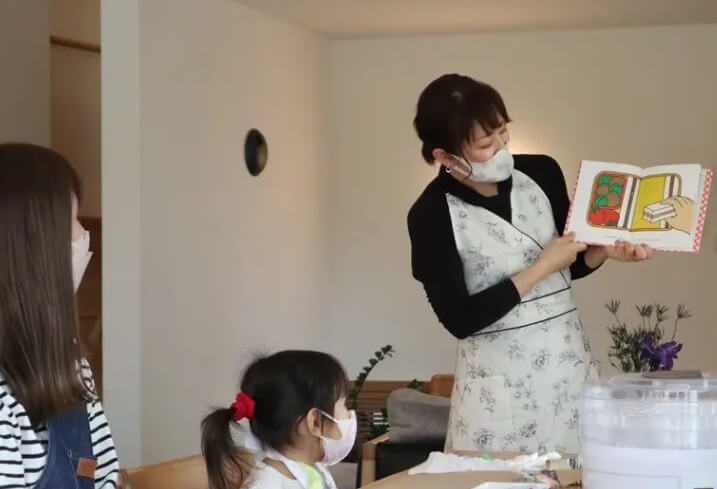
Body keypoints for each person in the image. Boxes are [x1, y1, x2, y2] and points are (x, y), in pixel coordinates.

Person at [407, 74, 654, 454]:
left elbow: (570, 265)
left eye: (502, 132)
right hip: (497, 390)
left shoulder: (541, 172)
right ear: (445, 157)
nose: (501, 147)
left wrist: (602, 252)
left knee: (579, 471)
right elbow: (460, 318)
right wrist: (541, 267)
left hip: (568, 368)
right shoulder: (431, 215)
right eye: (485, 144)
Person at [0, 143, 118, 488]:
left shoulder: (72, 367)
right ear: (32, 249)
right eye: (73, 220)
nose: (83, 235)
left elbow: (103, 477)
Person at [201, 350, 356, 489]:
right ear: (315, 422)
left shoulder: (313, 470)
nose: (348, 414)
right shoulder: (268, 485)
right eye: (343, 404)